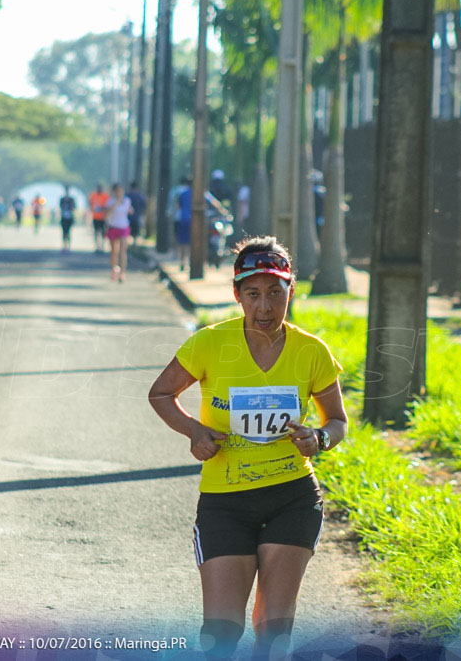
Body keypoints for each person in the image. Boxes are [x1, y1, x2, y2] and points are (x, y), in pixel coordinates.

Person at [148, 236, 348, 659]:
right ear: (237, 295)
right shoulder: (209, 343)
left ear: (290, 291)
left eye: (276, 293)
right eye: (253, 294)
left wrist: (320, 439)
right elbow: (161, 394)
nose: (265, 307)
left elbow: (337, 420)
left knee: (273, 637)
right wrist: (194, 432)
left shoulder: (311, 351)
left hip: (291, 498)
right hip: (225, 502)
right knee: (219, 635)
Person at [105, 183, 134, 282]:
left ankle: (122, 273)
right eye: (117, 191)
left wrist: (131, 210)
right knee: (114, 251)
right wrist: (115, 204)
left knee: (123, 251)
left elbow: (130, 210)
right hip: (113, 227)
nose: (119, 193)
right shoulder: (110, 201)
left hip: (124, 227)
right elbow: (106, 215)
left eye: (121, 191)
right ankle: (114, 269)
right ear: (114, 192)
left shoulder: (127, 201)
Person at [173, 178, 193, 271]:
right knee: (191, 242)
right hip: (194, 221)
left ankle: (182, 261)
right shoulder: (199, 194)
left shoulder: (183, 194)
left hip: (183, 219)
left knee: (182, 242)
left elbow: (178, 205)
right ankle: (189, 262)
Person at [88, 183, 109, 253]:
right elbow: (90, 203)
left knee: (103, 233)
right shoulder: (93, 195)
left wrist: (103, 209)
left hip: (103, 217)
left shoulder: (105, 196)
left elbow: (108, 206)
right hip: (95, 217)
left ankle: (102, 246)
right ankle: (97, 246)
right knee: (96, 232)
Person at [59, 185, 77, 252]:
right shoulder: (62, 199)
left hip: (70, 217)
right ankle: (64, 245)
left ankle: (68, 246)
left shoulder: (71, 199)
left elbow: (74, 208)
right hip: (63, 217)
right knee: (64, 232)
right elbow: (60, 207)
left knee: (68, 232)